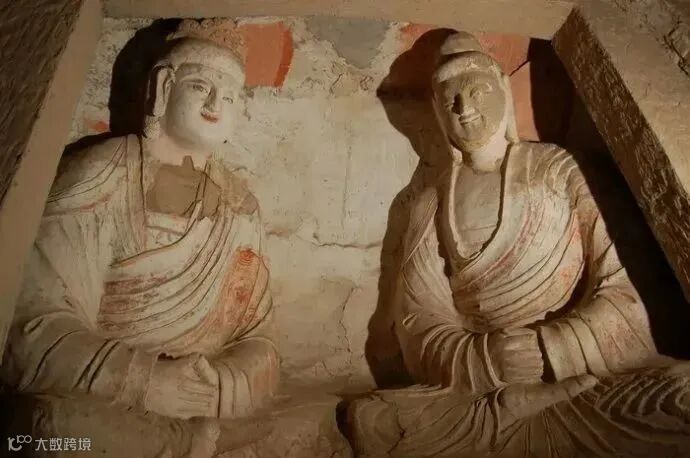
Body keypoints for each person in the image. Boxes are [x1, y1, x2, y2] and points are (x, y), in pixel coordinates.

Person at [346, 31, 690, 457]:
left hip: (577, 374)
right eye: (450, 100)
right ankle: (515, 407)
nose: (465, 108)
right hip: (486, 383)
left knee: (680, 395)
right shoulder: (429, 203)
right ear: (437, 111)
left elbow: (630, 290)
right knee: (374, 420)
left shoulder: (561, 170)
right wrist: (484, 359)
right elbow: (418, 322)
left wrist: (554, 347)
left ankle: (527, 407)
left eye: (476, 91)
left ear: (504, 93)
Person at [1, 20, 278, 457]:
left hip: (199, 398)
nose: (215, 104)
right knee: (46, 429)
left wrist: (223, 383)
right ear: (163, 88)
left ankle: (188, 436)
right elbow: (28, 326)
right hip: (106, 397)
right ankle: (189, 441)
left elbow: (258, 340)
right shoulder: (100, 174)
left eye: (229, 96)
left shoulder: (240, 208)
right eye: (201, 86)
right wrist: (145, 381)